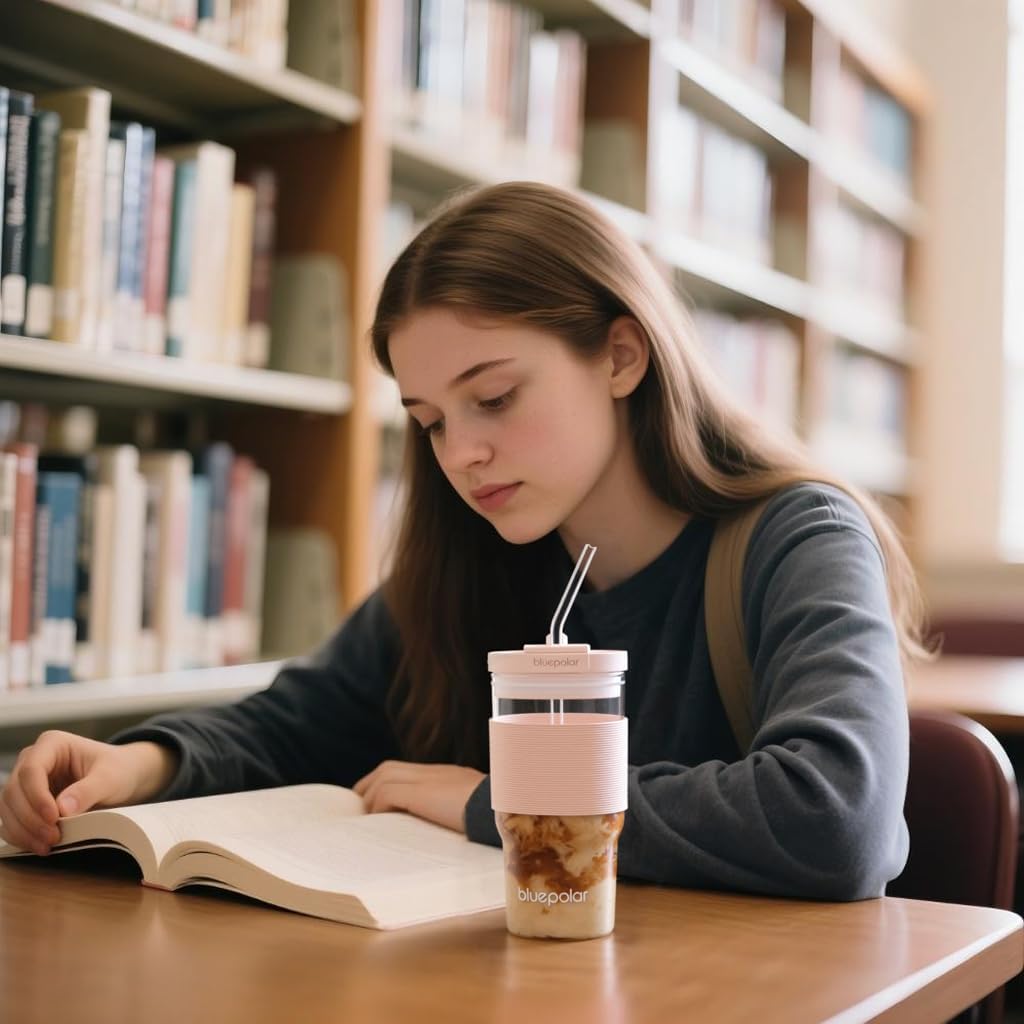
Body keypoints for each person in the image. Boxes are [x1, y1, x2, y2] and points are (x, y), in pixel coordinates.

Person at [0, 182, 929, 899]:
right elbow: (298, 723)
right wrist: (140, 764)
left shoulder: (798, 538)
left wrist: (504, 802)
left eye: (494, 397)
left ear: (621, 355)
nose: (461, 454)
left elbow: (832, 819)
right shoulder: (481, 554)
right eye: (431, 420)